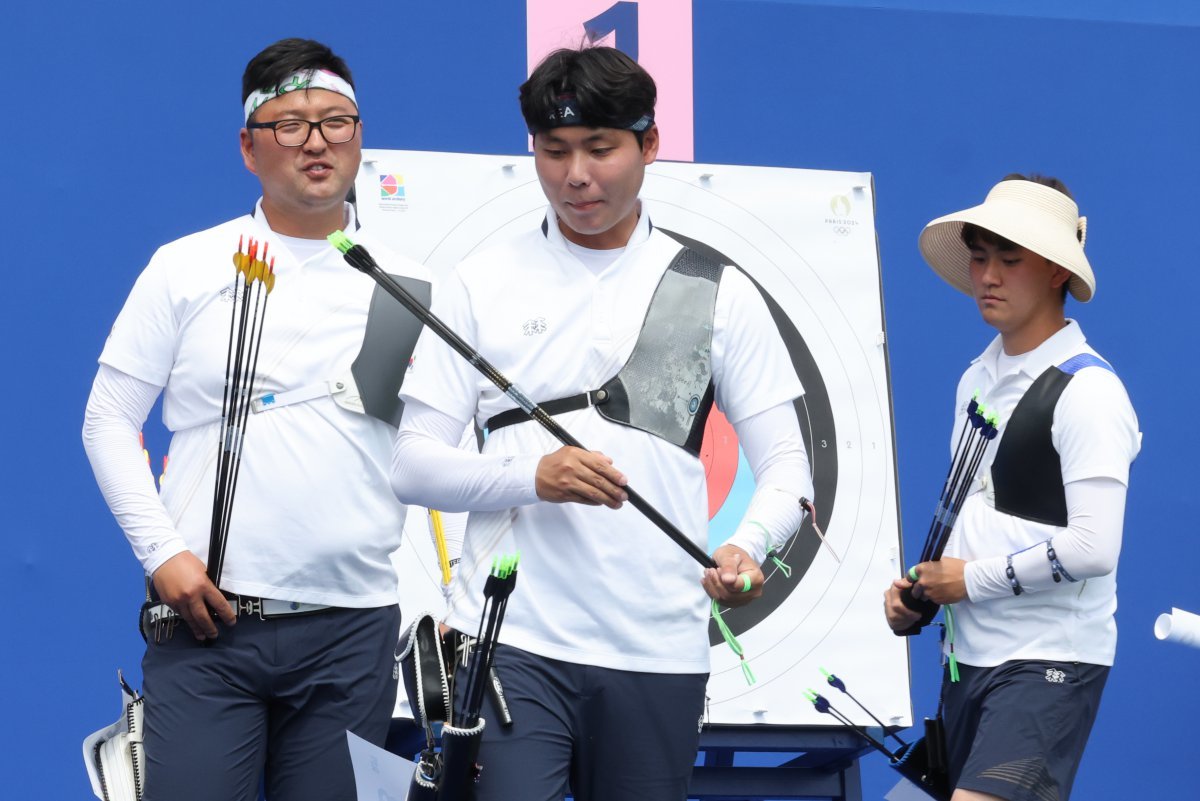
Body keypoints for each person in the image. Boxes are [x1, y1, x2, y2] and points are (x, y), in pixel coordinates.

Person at [390, 46, 813, 801]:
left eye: (600, 149)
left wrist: (747, 548)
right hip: (513, 637)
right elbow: (413, 464)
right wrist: (531, 476)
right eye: (553, 152)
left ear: (649, 145)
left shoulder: (719, 291)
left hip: (660, 647)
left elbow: (787, 467)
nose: (576, 175)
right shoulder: (481, 281)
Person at [82, 38, 431, 801]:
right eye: (290, 124)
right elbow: (108, 419)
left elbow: (434, 446)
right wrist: (164, 553)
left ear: (360, 134)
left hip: (353, 632)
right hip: (210, 625)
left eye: (336, 121)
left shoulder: (407, 282)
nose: (317, 141)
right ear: (248, 147)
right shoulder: (187, 266)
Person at [884, 175, 1141, 801]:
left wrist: (966, 581)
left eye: (1009, 259)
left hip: (1049, 662)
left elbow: (1094, 548)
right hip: (968, 660)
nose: (987, 276)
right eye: (978, 257)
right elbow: (977, 514)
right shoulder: (976, 376)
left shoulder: (1090, 392)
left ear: (1056, 270)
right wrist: (924, 592)